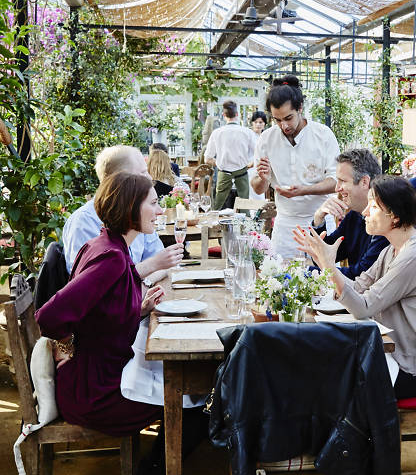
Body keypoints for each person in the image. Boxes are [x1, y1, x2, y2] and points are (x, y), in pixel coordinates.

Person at [294, 176, 416, 399]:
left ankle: (354, 434)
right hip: (398, 355)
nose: (365, 212)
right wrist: (325, 264)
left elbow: (364, 307)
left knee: (333, 382)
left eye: (374, 206)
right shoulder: (393, 248)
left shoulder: (414, 255)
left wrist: (329, 266)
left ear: (394, 217)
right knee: (326, 370)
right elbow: (358, 287)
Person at [37, 173, 165, 435]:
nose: (160, 211)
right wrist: (68, 345)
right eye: (153, 203)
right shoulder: (112, 258)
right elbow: (48, 316)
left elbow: (98, 310)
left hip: (100, 378)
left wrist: (137, 310)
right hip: (97, 393)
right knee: (190, 399)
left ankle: (152, 471)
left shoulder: (105, 243)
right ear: (131, 208)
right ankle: (151, 474)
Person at [252, 75, 339, 258]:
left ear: (300, 108)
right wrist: (263, 178)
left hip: (320, 222)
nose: (284, 125)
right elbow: (258, 187)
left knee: (326, 281)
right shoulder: (266, 139)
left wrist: (304, 190)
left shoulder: (323, 135)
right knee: (281, 280)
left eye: (288, 118)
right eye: (277, 120)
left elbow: (335, 181)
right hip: (285, 226)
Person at [62, 145, 184, 277]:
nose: (150, 178)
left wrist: (148, 277)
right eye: (143, 173)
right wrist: (150, 267)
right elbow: (97, 281)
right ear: (118, 179)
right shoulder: (84, 221)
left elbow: (161, 264)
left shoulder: (137, 212)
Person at [303, 149, 388, 279]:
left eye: (342, 181)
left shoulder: (385, 221)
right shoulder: (354, 216)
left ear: (364, 182)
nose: (337, 188)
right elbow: (327, 256)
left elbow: (362, 274)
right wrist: (318, 219)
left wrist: (307, 272)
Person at [204, 100, 257, 210]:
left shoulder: (217, 133)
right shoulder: (247, 132)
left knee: (217, 208)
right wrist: (250, 164)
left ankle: (215, 225)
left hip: (224, 173)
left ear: (224, 115)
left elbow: (207, 159)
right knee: (244, 208)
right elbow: (259, 154)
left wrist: (218, 163)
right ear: (237, 114)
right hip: (242, 172)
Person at [247, 110, 269, 200]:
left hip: (261, 169)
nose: (258, 124)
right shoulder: (248, 136)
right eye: (255, 122)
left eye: (260, 122)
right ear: (252, 123)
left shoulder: (266, 137)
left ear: (264, 124)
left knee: (260, 196)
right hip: (249, 170)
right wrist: (251, 163)